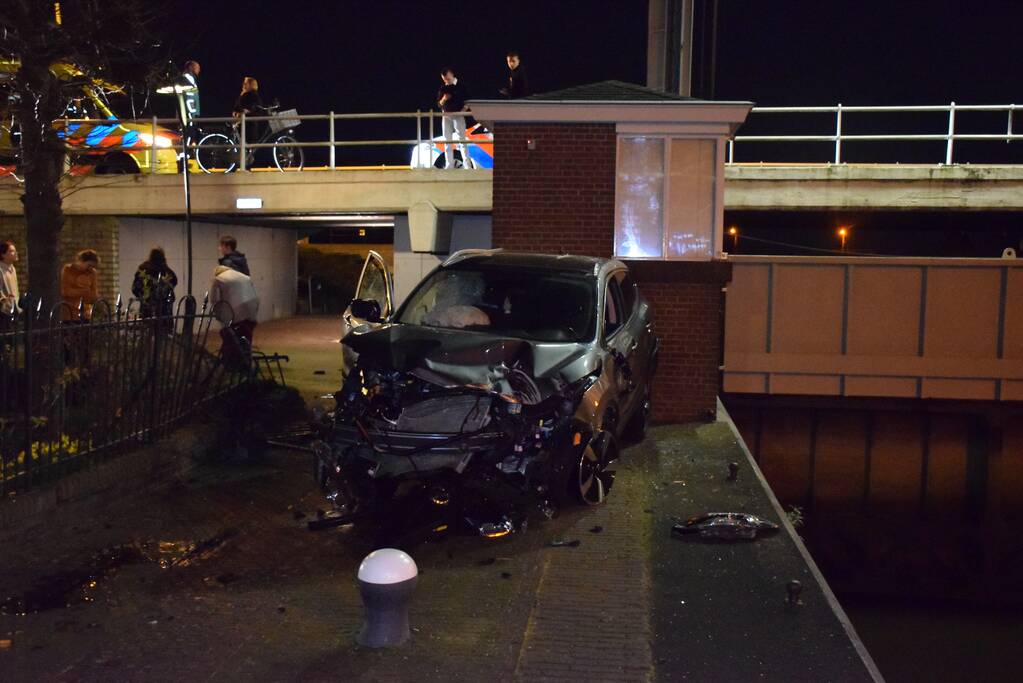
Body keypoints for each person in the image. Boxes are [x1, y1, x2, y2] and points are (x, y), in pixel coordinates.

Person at [210, 265, 259, 369]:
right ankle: (245, 361)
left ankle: (231, 363)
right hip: (250, 308)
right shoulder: (245, 277)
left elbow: (215, 300)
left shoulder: (218, 280)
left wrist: (219, 316)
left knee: (230, 337)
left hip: (234, 311)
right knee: (246, 336)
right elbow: (255, 294)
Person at [131, 247, 178, 324]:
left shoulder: (143, 269)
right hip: (164, 310)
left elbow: (135, 288)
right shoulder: (166, 271)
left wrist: (143, 296)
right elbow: (174, 281)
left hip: (147, 308)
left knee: (147, 327)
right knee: (163, 328)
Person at [437, 67, 471, 169]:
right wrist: (444, 99)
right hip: (446, 115)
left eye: (447, 78)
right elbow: (439, 104)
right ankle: (449, 164)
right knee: (447, 141)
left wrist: (462, 111)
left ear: (452, 74)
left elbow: (468, 100)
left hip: (458, 115)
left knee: (462, 141)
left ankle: (467, 165)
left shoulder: (461, 86)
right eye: (444, 79)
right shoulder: (443, 88)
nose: (446, 81)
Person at [60, 249, 100, 321]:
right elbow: (65, 291)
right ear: (81, 261)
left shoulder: (92, 273)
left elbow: (94, 295)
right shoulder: (68, 270)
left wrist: (78, 292)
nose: (90, 268)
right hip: (69, 313)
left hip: (85, 313)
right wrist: (85, 292)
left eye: (93, 266)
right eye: (89, 265)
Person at [233, 77, 264, 146]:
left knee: (247, 143)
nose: (243, 85)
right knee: (247, 144)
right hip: (245, 122)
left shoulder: (252, 95)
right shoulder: (244, 94)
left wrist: (243, 111)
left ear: (251, 85)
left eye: (245, 83)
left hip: (248, 123)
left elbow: (254, 108)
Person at [0, 241, 21, 315]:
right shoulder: (1, 269)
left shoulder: (13, 269)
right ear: (3, 255)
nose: (15, 253)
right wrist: (4, 300)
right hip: (4, 311)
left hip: (15, 309)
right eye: (12, 251)